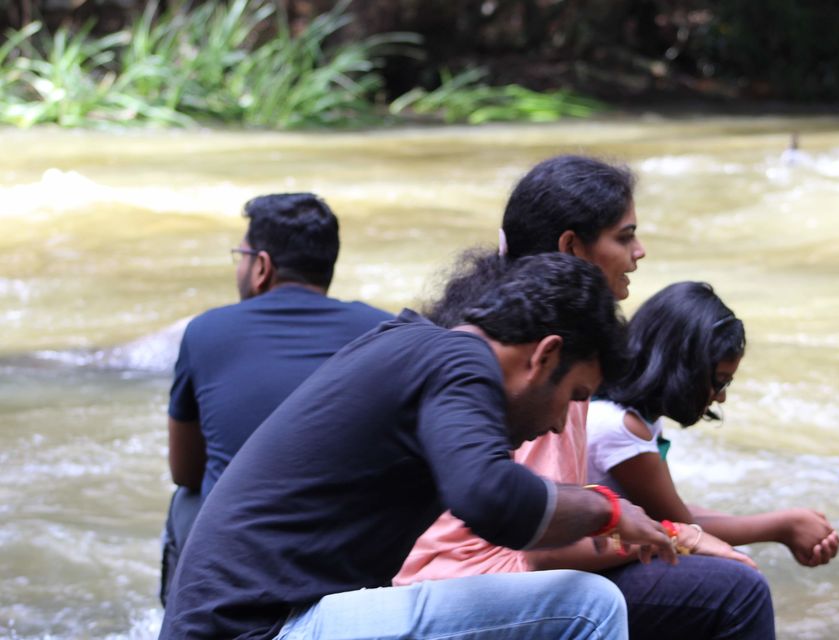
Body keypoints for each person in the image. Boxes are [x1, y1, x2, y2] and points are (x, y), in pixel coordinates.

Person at [160, 252, 681, 640]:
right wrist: (608, 510)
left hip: (249, 618)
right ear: (544, 357)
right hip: (257, 628)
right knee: (589, 607)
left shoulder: (419, 346)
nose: (555, 424)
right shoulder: (460, 363)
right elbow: (492, 500)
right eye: (574, 397)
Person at [397, 154, 775, 640]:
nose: (639, 252)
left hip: (446, 582)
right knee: (734, 589)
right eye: (624, 236)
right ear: (571, 247)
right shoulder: (541, 354)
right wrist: (680, 537)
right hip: (480, 589)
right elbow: (540, 542)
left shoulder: (492, 324)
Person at [161, 193, 393, 605]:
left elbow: (185, 472)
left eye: (241, 255)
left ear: (262, 266)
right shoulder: (387, 333)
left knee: (185, 500)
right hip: (348, 560)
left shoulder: (206, 332)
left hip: (235, 571)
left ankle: (181, 620)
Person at [587, 280, 839, 567]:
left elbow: (676, 514)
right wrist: (783, 526)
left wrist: (790, 522)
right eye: (718, 381)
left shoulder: (631, 414)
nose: (720, 397)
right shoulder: (620, 427)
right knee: (733, 573)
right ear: (681, 368)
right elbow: (684, 527)